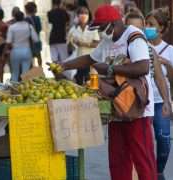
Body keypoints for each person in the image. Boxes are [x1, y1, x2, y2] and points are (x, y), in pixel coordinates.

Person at [51, 5, 157, 180]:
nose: (100, 32)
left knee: (143, 159)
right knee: (118, 159)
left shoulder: (134, 37)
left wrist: (109, 69)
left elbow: (143, 67)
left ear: (114, 22)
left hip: (136, 109)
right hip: (117, 106)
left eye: (102, 27)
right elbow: (90, 58)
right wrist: (65, 65)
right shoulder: (108, 40)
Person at [145, 8, 173, 180]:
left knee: (163, 138)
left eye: (151, 25)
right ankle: (147, 171)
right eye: (146, 24)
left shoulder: (170, 49)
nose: (147, 28)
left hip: (160, 101)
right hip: (143, 100)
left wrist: (166, 63)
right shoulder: (140, 45)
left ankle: (159, 170)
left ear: (161, 28)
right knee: (143, 140)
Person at [125, 12, 171, 117]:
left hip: (144, 106)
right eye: (131, 28)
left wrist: (166, 101)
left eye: (139, 29)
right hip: (123, 105)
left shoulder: (150, 50)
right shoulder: (119, 50)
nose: (135, 32)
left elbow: (159, 78)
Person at [67, 6, 99, 85]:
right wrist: (72, 43)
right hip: (79, 59)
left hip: (91, 59)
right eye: (81, 13)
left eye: (86, 13)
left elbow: (96, 44)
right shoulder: (73, 30)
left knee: (92, 82)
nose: (84, 15)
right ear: (77, 15)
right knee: (79, 81)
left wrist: (83, 44)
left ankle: (95, 96)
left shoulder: (92, 28)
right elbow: (69, 47)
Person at [5, 11, 39, 82]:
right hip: (27, 51)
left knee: (15, 73)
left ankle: (14, 89)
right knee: (25, 73)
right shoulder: (29, 26)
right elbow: (36, 39)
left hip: (15, 51)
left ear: (15, 18)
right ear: (23, 17)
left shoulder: (12, 27)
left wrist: (7, 50)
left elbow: (8, 42)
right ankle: (24, 90)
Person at [25, 2, 43, 67]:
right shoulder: (37, 18)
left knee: (30, 59)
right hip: (37, 39)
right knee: (39, 56)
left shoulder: (25, 19)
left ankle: (31, 73)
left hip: (29, 42)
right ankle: (40, 70)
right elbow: (40, 28)